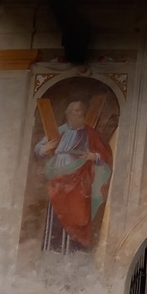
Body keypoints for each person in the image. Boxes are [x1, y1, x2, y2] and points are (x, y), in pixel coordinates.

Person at [34, 100, 113, 252]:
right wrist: (44, 148)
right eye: (75, 111)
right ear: (69, 114)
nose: (79, 114)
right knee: (57, 212)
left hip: (79, 179)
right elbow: (38, 148)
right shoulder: (59, 131)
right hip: (58, 180)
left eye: (80, 111)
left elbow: (105, 156)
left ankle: (74, 251)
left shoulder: (90, 133)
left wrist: (93, 156)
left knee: (78, 213)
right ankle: (54, 249)